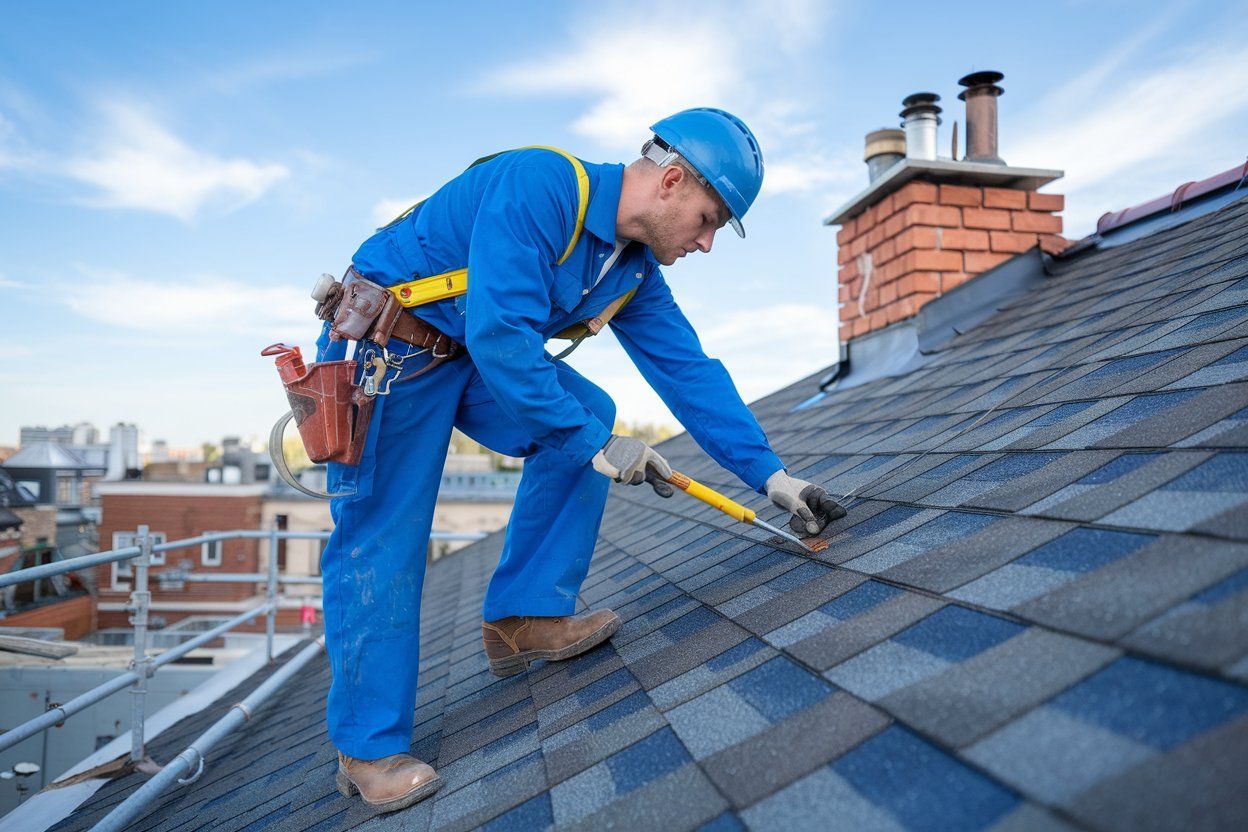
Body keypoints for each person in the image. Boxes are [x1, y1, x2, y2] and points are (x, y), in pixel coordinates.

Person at [318, 108, 846, 812]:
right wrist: (598, 448)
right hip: (387, 347)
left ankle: (522, 616)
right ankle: (367, 748)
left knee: (586, 413)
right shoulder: (541, 187)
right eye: (709, 217)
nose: (708, 243)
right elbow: (506, 338)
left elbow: (689, 371)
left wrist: (773, 476)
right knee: (384, 537)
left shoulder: (628, 271)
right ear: (673, 180)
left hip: (468, 354)